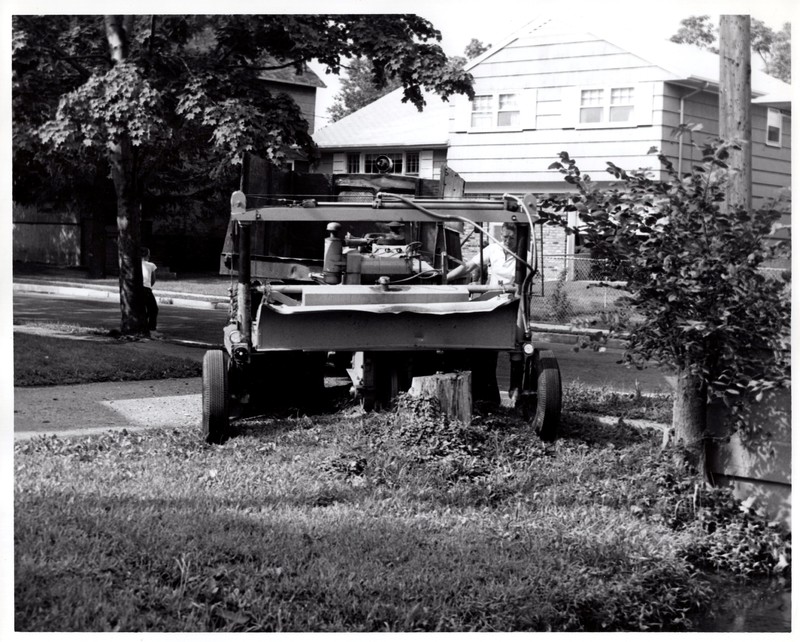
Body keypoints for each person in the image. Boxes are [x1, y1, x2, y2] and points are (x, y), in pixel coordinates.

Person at [446, 222, 518, 286]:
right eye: (505, 237)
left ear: (518, 237)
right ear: (501, 235)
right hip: (493, 296)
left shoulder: (526, 257)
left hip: (513, 298)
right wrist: (445, 278)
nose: (508, 241)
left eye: (512, 238)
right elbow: (468, 266)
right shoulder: (493, 248)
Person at [141, 247, 158, 332]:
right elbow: (153, 279)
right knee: (153, 309)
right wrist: (149, 285)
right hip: (146, 289)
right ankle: (151, 327)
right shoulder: (151, 265)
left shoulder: (136, 265)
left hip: (138, 289)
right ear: (148, 255)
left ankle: (142, 323)